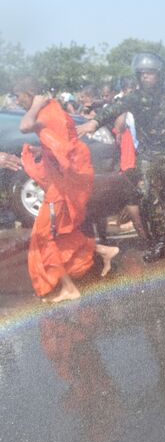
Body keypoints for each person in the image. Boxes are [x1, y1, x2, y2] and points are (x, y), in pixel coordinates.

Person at [76, 52, 165, 263]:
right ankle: (160, 241)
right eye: (142, 74)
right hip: (147, 155)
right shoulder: (135, 97)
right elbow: (112, 109)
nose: (145, 77)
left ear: (160, 74)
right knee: (148, 196)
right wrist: (93, 123)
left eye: (150, 73)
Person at [13, 78, 119, 302]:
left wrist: (35, 104)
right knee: (60, 234)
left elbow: (24, 126)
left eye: (18, 95)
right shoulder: (53, 110)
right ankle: (102, 250)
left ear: (30, 92)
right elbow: (60, 141)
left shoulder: (44, 111)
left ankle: (69, 288)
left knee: (43, 238)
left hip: (60, 189)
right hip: (63, 185)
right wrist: (40, 149)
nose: (16, 100)